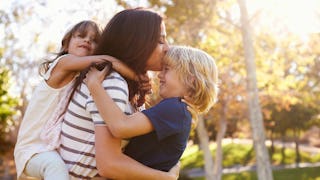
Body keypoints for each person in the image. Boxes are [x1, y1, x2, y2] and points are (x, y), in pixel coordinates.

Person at [59, 8, 179, 179]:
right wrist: (165, 178)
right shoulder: (111, 82)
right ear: (136, 42)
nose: (168, 48)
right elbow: (109, 165)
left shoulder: (125, 85)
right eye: (160, 41)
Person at [14, 20, 136, 180]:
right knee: (55, 167)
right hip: (32, 149)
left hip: (51, 148)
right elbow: (107, 61)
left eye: (94, 40)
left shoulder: (82, 79)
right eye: (81, 36)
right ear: (66, 45)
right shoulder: (62, 64)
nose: (87, 41)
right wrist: (137, 77)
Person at [85, 45, 219, 172]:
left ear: (191, 80)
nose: (159, 75)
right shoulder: (179, 110)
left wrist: (94, 85)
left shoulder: (174, 108)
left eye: (167, 69)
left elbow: (120, 127)